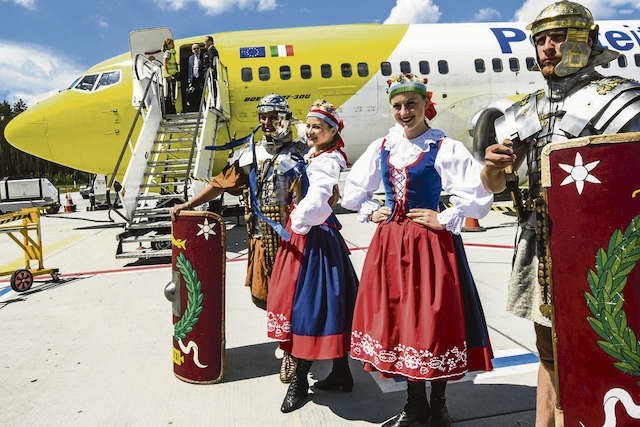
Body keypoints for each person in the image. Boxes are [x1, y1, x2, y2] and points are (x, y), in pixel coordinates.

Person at [481, 2, 640, 426]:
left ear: (587, 41)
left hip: (605, 252)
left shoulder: (622, 101)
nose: (547, 48)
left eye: (558, 38)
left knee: (611, 349)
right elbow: (498, 189)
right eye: (540, 40)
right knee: (549, 351)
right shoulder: (522, 111)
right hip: (542, 249)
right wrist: (494, 169)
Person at [342, 73, 494, 427]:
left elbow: (480, 196)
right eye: (397, 106)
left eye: (410, 104)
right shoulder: (383, 146)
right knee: (402, 323)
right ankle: (414, 404)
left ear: (426, 105)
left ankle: (438, 403)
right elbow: (352, 192)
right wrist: (370, 209)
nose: (404, 112)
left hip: (430, 245)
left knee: (434, 320)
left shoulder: (443, 146)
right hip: (391, 245)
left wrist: (446, 216)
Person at [170, 93, 308, 383]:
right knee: (266, 297)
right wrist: (189, 205)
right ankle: (291, 345)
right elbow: (221, 184)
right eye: (263, 116)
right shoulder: (251, 154)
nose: (267, 122)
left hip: (296, 240)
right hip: (261, 238)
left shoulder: (301, 152)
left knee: (298, 298)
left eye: (272, 116)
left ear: (285, 118)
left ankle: (295, 352)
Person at [267, 100, 359, 414]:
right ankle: (341, 373)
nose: (310, 131)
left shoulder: (327, 160)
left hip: (313, 237)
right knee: (331, 304)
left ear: (333, 131)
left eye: (317, 127)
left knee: (307, 308)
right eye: (309, 125)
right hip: (316, 235)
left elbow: (320, 197)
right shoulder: (319, 155)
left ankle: (300, 381)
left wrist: (299, 220)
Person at [161, 38, 179, 114]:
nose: (172, 45)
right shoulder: (168, 52)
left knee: (173, 93)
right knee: (171, 94)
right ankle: (171, 111)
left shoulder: (172, 53)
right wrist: (167, 74)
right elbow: (164, 62)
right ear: (167, 45)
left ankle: (172, 109)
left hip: (173, 75)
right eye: (170, 44)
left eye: (172, 43)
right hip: (169, 75)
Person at [186, 43, 205, 112]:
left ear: (199, 49)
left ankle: (203, 108)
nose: (196, 50)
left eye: (197, 48)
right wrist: (189, 80)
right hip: (193, 79)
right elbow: (189, 69)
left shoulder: (203, 56)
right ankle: (195, 109)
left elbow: (206, 66)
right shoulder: (190, 58)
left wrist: (202, 64)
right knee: (193, 94)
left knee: (201, 93)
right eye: (194, 49)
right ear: (192, 50)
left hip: (201, 78)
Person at [203, 35, 219, 103]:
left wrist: (209, 70)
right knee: (211, 88)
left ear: (210, 42)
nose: (204, 43)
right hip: (211, 73)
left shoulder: (211, 50)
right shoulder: (211, 49)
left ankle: (213, 102)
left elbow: (211, 62)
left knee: (212, 87)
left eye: (205, 41)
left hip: (211, 73)